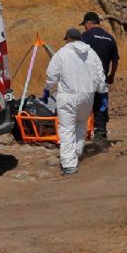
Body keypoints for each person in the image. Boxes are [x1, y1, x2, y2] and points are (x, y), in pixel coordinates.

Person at [43, 28, 106, 175]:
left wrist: (47, 90)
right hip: (87, 96)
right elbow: (100, 74)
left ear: (68, 39)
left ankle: (69, 164)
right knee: (81, 124)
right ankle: (76, 153)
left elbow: (52, 76)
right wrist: (102, 93)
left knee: (66, 129)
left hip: (68, 96)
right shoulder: (91, 53)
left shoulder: (62, 54)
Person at [79, 11, 119, 143]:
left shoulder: (84, 36)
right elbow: (115, 61)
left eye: (84, 24)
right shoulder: (110, 38)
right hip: (102, 79)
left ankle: (79, 135)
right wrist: (111, 76)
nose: (84, 27)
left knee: (82, 105)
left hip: (86, 78)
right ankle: (100, 135)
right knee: (101, 106)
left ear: (88, 23)